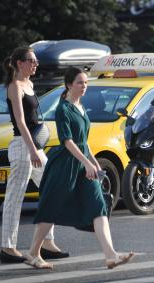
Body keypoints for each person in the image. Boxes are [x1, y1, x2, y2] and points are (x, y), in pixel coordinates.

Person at [25, 67, 134, 269]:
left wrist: (93, 163)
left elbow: (84, 142)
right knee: (52, 208)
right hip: (65, 164)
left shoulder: (81, 107)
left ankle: (111, 255)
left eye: (85, 82)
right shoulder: (63, 108)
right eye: (79, 83)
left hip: (83, 163)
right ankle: (33, 252)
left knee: (98, 206)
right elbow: (67, 141)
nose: (84, 86)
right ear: (68, 85)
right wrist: (85, 162)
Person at [0, 46, 68, 264]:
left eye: (36, 61)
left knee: (51, 189)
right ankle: (8, 248)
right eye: (32, 61)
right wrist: (32, 150)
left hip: (34, 145)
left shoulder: (29, 84)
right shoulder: (15, 86)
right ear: (20, 63)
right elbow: (20, 122)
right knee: (14, 197)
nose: (36, 64)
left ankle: (47, 243)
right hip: (22, 146)